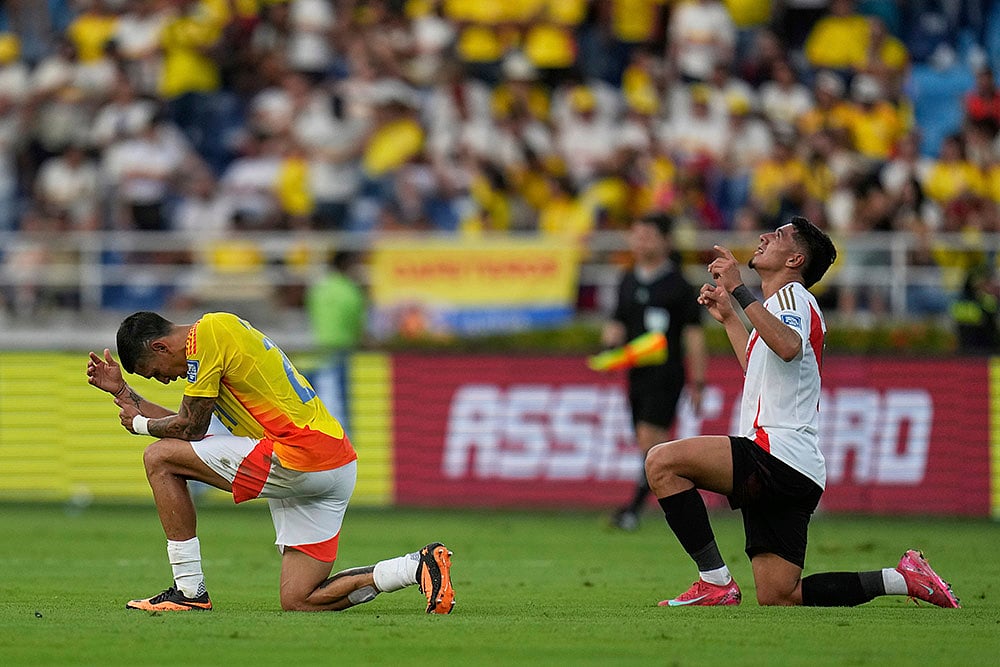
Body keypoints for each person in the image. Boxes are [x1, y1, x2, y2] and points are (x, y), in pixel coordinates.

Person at [644, 216, 961, 608]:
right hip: (797, 467)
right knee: (780, 595)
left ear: (795, 259)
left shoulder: (793, 296)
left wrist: (740, 289)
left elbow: (789, 345)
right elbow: (761, 365)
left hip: (775, 452)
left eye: (776, 236)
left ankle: (714, 581)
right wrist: (730, 318)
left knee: (662, 462)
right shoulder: (777, 308)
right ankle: (901, 579)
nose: (762, 237)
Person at [86, 311, 455, 613]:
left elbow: (189, 427)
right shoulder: (217, 340)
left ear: (160, 345)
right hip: (333, 462)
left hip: (300, 453)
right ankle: (416, 566)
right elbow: (188, 427)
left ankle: (189, 591)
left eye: (156, 372)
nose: (165, 380)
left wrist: (139, 425)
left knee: (158, 458)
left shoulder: (207, 334)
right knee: (300, 599)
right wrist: (122, 393)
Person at [602, 213, 707, 531]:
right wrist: (609, 350)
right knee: (646, 443)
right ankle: (671, 500)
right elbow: (618, 321)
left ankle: (633, 510)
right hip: (636, 374)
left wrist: (698, 381)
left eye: (647, 235)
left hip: (666, 373)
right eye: (637, 235)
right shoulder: (628, 278)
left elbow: (693, 334)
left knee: (652, 440)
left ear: (665, 241)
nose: (641, 241)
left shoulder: (679, 284)